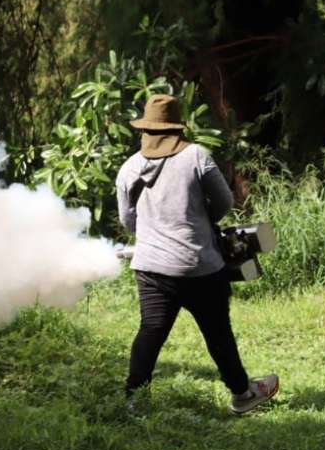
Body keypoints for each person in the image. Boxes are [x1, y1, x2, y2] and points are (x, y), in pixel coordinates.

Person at [114, 93, 278, 414]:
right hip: (200, 266)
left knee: (150, 332)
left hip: (151, 269)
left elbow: (128, 221)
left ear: (145, 129)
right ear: (178, 128)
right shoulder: (197, 156)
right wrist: (201, 220)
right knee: (218, 333)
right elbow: (225, 203)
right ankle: (243, 395)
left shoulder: (129, 168)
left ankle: (135, 401)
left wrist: (155, 231)